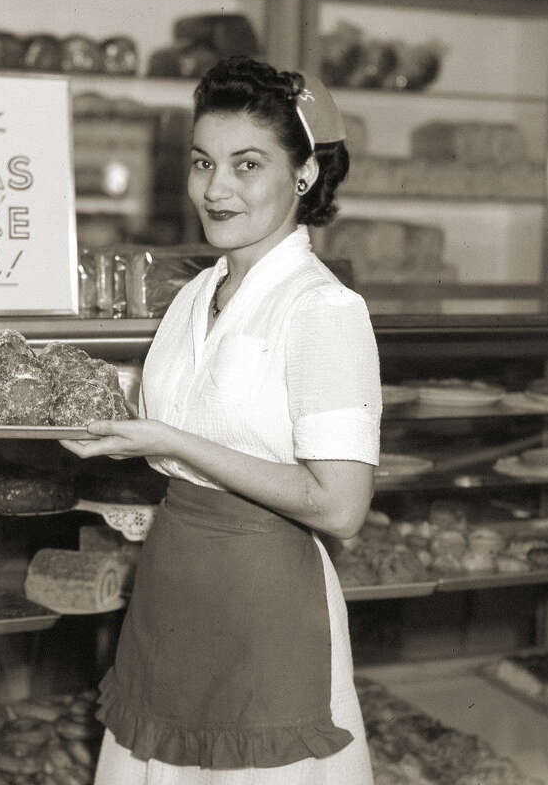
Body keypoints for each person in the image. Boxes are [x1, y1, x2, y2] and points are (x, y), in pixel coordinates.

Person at [62, 56, 382, 784]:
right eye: (203, 162)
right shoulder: (194, 294)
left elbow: (339, 505)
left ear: (303, 176)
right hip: (175, 586)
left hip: (266, 601)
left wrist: (172, 440)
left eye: (247, 165)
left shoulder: (322, 310)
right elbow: (179, 419)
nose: (215, 188)